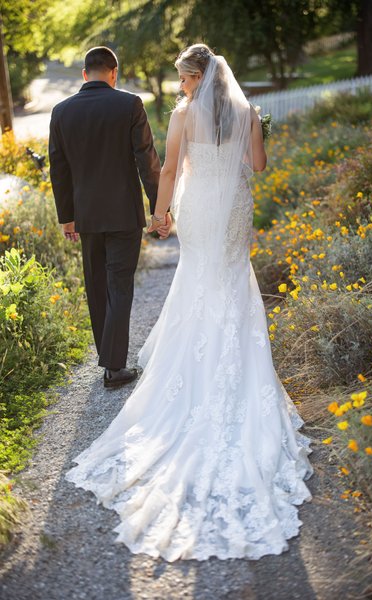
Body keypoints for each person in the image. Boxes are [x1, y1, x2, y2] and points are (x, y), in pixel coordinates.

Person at [66, 44, 312, 561]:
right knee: (231, 280)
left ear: (197, 78)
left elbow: (172, 170)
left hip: (200, 209)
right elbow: (259, 166)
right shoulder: (247, 113)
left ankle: (181, 365)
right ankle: (239, 366)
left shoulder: (182, 116)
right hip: (236, 208)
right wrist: (250, 136)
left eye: (182, 79)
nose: (180, 88)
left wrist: (161, 217)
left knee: (199, 279)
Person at [49, 46, 168, 389]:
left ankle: (109, 359)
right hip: (123, 214)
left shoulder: (61, 111)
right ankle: (114, 367)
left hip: (86, 216)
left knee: (97, 286)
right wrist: (159, 210)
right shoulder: (129, 104)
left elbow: (59, 168)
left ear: (85, 74)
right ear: (114, 72)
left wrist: (67, 216)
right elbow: (147, 160)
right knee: (119, 285)